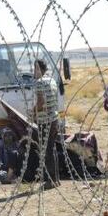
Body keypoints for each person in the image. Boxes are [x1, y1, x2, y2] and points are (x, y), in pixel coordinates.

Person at [33, 59, 60, 187]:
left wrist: (33, 113)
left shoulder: (39, 83)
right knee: (52, 148)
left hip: (45, 121)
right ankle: (56, 179)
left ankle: (51, 180)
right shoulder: (52, 80)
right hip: (54, 119)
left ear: (38, 69)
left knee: (47, 151)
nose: (33, 72)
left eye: (34, 68)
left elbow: (41, 103)